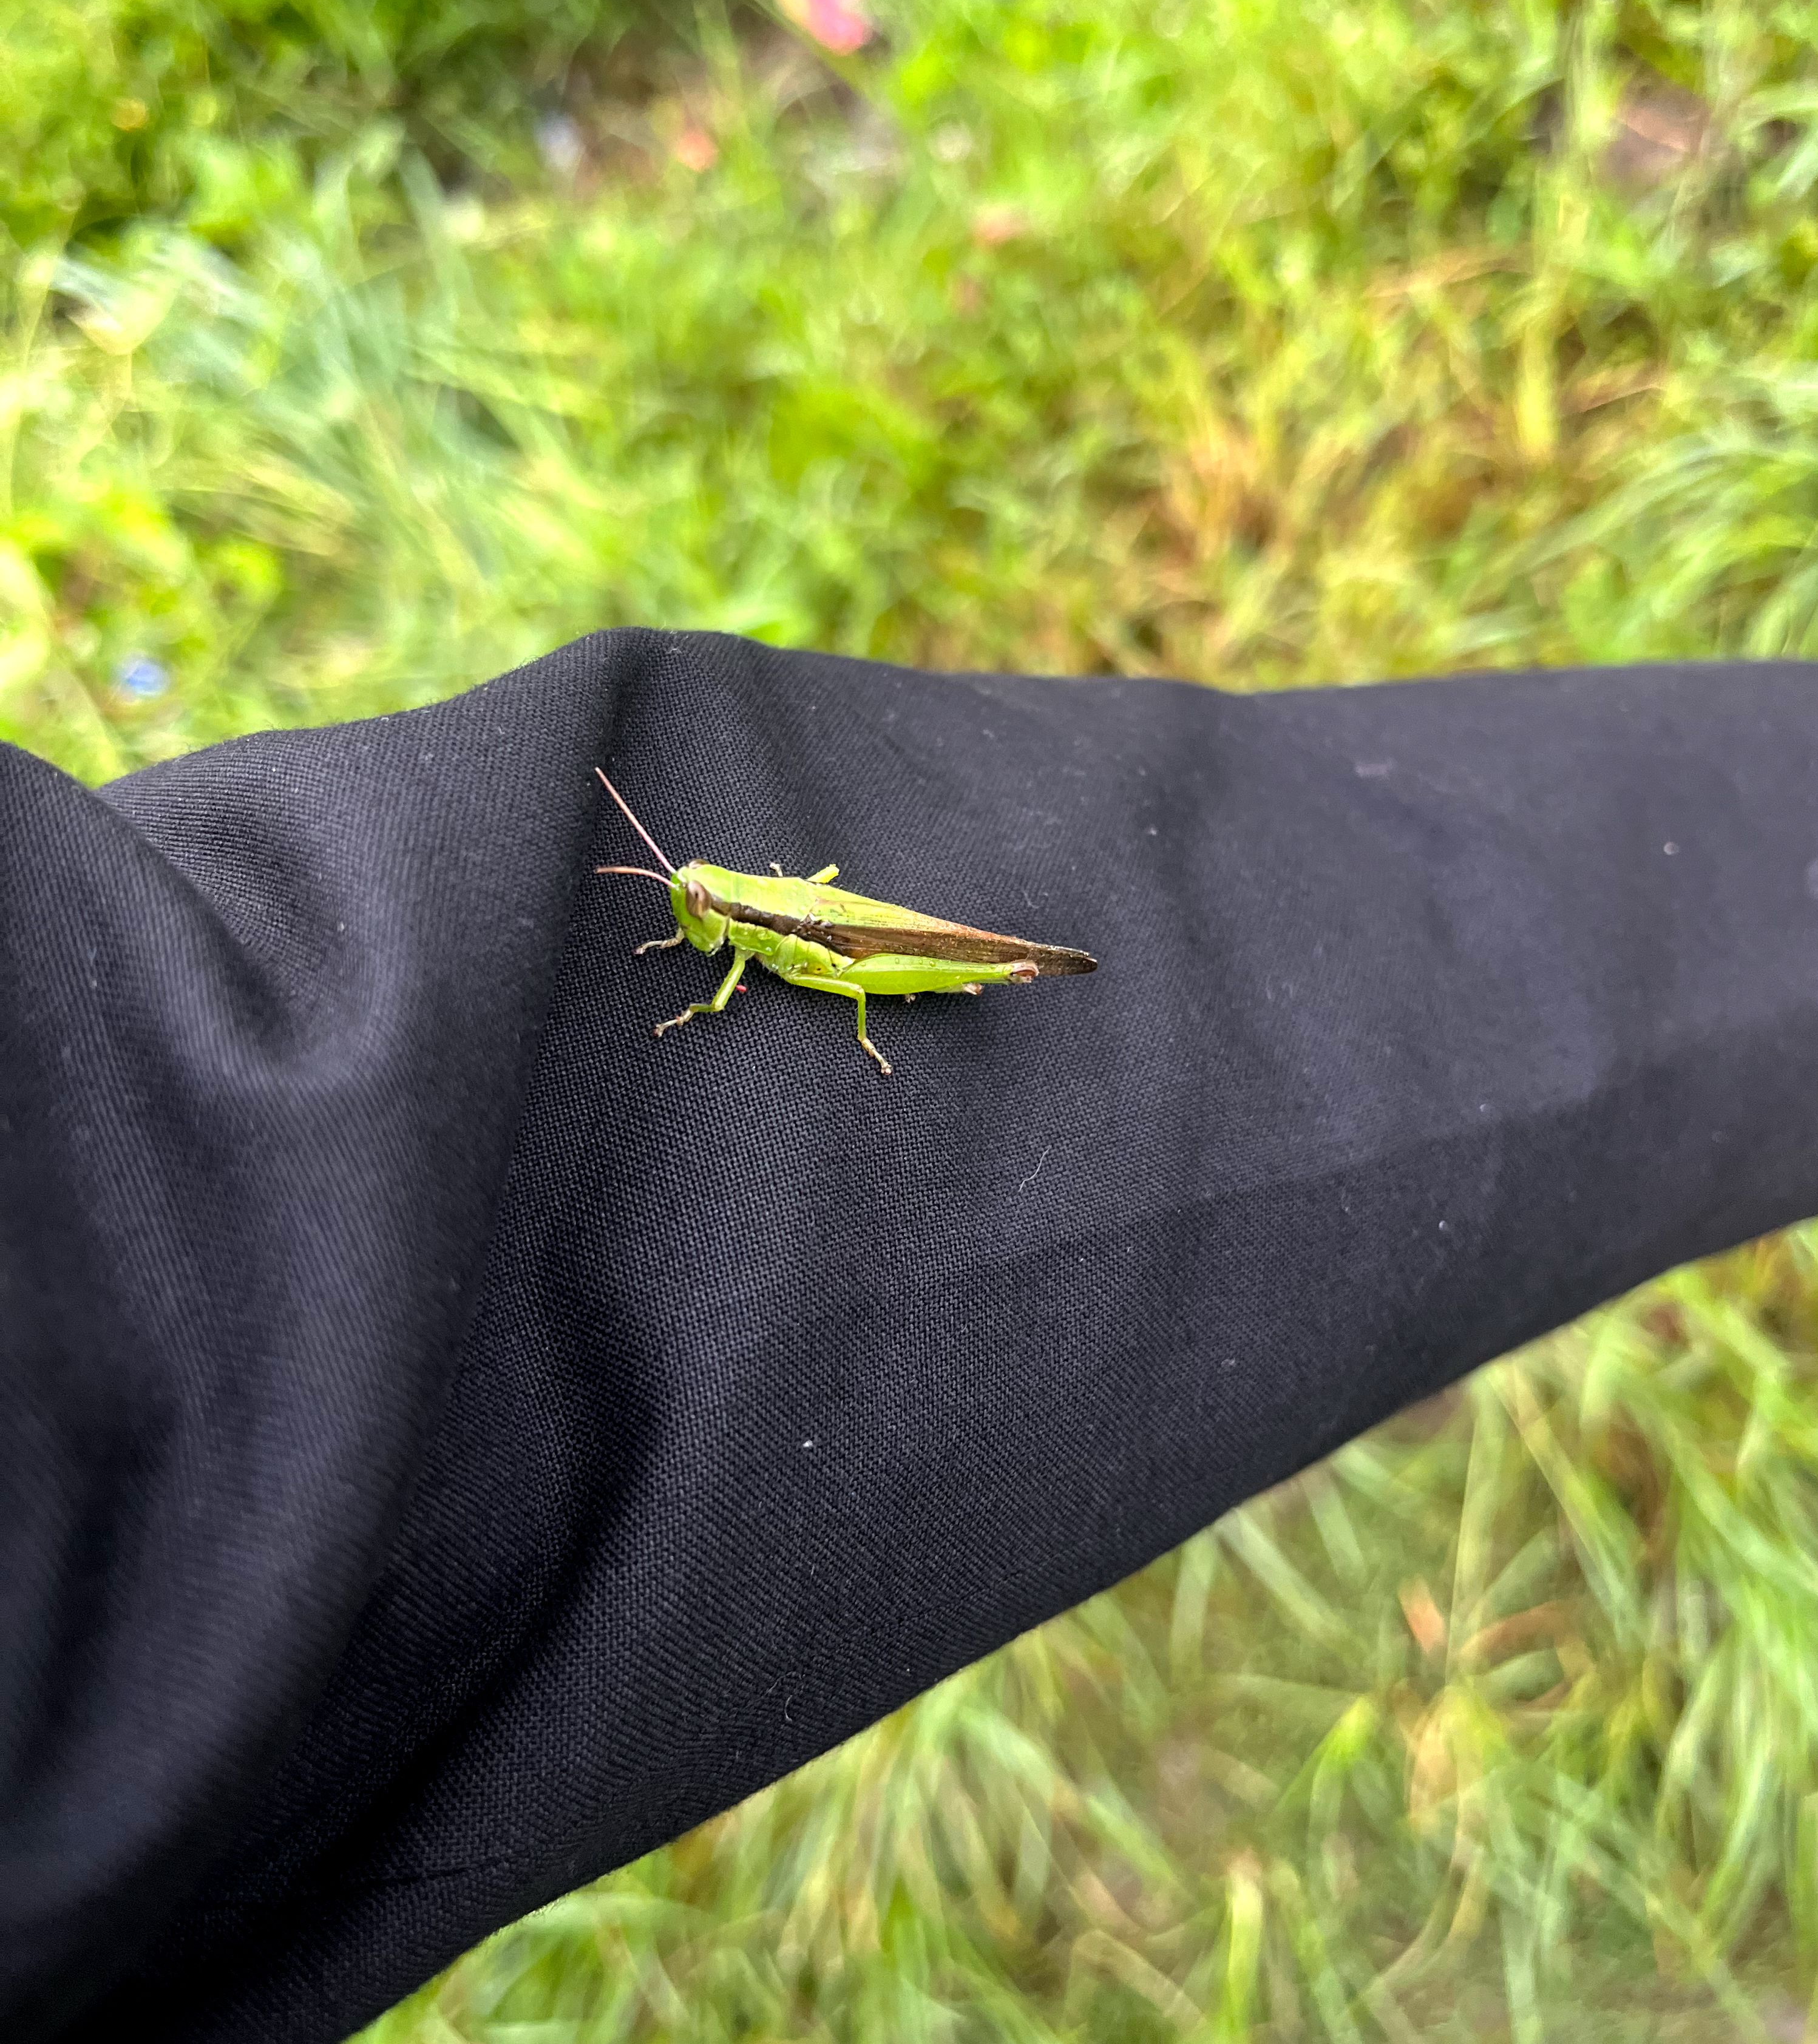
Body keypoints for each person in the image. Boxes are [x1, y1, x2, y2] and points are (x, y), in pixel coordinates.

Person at [5, 627, 1814, 2043]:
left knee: (867, 986)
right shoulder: (705, 927)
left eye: (698, 896)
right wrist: (714, 919)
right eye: (693, 910)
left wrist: (769, 933)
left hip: (885, 955)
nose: (692, 916)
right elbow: (712, 932)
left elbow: (765, 947)